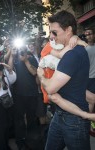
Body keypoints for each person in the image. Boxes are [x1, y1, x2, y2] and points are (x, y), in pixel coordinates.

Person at [37, 10, 90, 150]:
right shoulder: (71, 49)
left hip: (74, 120)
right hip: (60, 114)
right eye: (50, 32)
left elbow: (50, 88)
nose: (52, 36)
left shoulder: (73, 54)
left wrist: (41, 75)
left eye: (55, 32)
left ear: (68, 30)